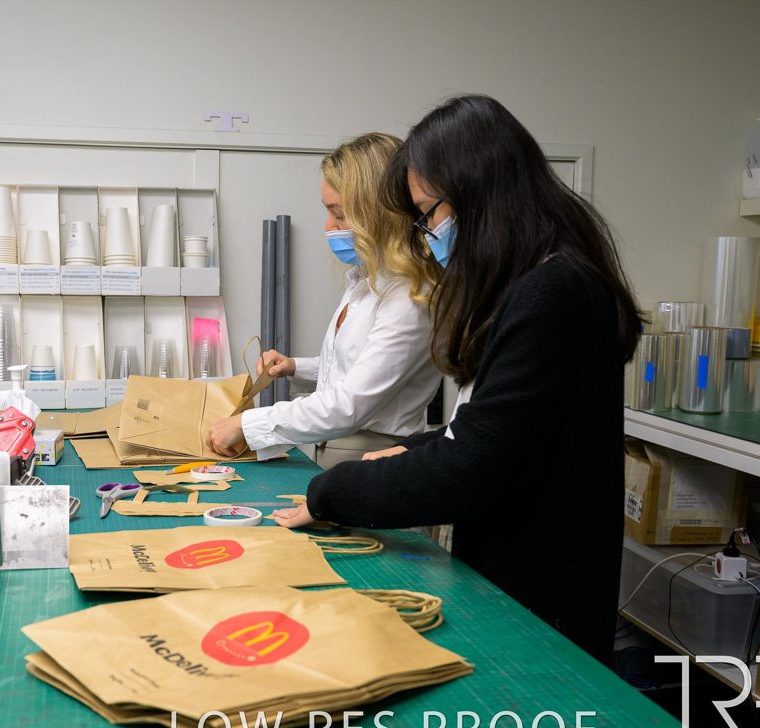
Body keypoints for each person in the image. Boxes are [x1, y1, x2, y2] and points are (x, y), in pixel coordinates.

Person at [273, 95, 642, 664]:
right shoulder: (533, 284)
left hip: (541, 599)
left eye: (429, 212)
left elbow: (477, 465)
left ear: (478, 194)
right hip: (514, 571)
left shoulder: (554, 292)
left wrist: (334, 492)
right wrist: (411, 451)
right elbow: (494, 427)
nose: (426, 232)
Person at [206, 133, 441, 468]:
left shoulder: (409, 298)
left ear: (381, 213)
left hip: (369, 456)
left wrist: (247, 424)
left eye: (339, 214)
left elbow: (349, 405)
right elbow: (359, 367)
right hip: (334, 447)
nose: (329, 226)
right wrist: (295, 367)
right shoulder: (366, 283)